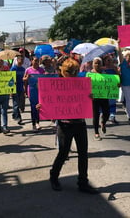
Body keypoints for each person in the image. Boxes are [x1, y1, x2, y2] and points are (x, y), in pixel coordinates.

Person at [42, 58, 98, 194]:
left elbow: (87, 101)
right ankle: (54, 176)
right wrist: (43, 106)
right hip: (65, 125)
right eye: (70, 71)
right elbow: (50, 101)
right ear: (64, 72)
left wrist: (91, 97)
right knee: (63, 152)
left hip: (80, 123)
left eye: (74, 71)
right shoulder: (57, 85)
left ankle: (83, 182)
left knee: (83, 153)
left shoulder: (82, 84)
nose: (73, 73)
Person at [89, 57, 110, 140]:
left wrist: (116, 85)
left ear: (102, 64)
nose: (97, 65)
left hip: (104, 96)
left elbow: (110, 83)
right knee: (95, 115)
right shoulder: (89, 74)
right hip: (94, 97)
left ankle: (103, 122)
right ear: (92, 64)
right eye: (95, 63)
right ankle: (96, 132)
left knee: (107, 113)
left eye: (99, 63)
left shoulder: (105, 73)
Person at [23, 57, 44, 131]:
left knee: (38, 107)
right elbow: (24, 79)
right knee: (33, 108)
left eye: (37, 61)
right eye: (35, 61)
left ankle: (38, 122)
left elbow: (44, 79)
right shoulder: (28, 70)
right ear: (31, 61)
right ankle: (33, 124)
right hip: (31, 90)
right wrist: (27, 78)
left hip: (40, 90)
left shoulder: (41, 70)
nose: (36, 62)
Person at [10, 55, 26, 125]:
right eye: (20, 60)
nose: (22, 62)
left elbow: (24, 79)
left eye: (23, 61)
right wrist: (11, 90)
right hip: (15, 88)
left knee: (19, 103)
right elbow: (10, 79)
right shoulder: (13, 68)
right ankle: (18, 118)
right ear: (17, 60)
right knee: (16, 103)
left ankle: (14, 114)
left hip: (21, 88)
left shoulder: (23, 69)